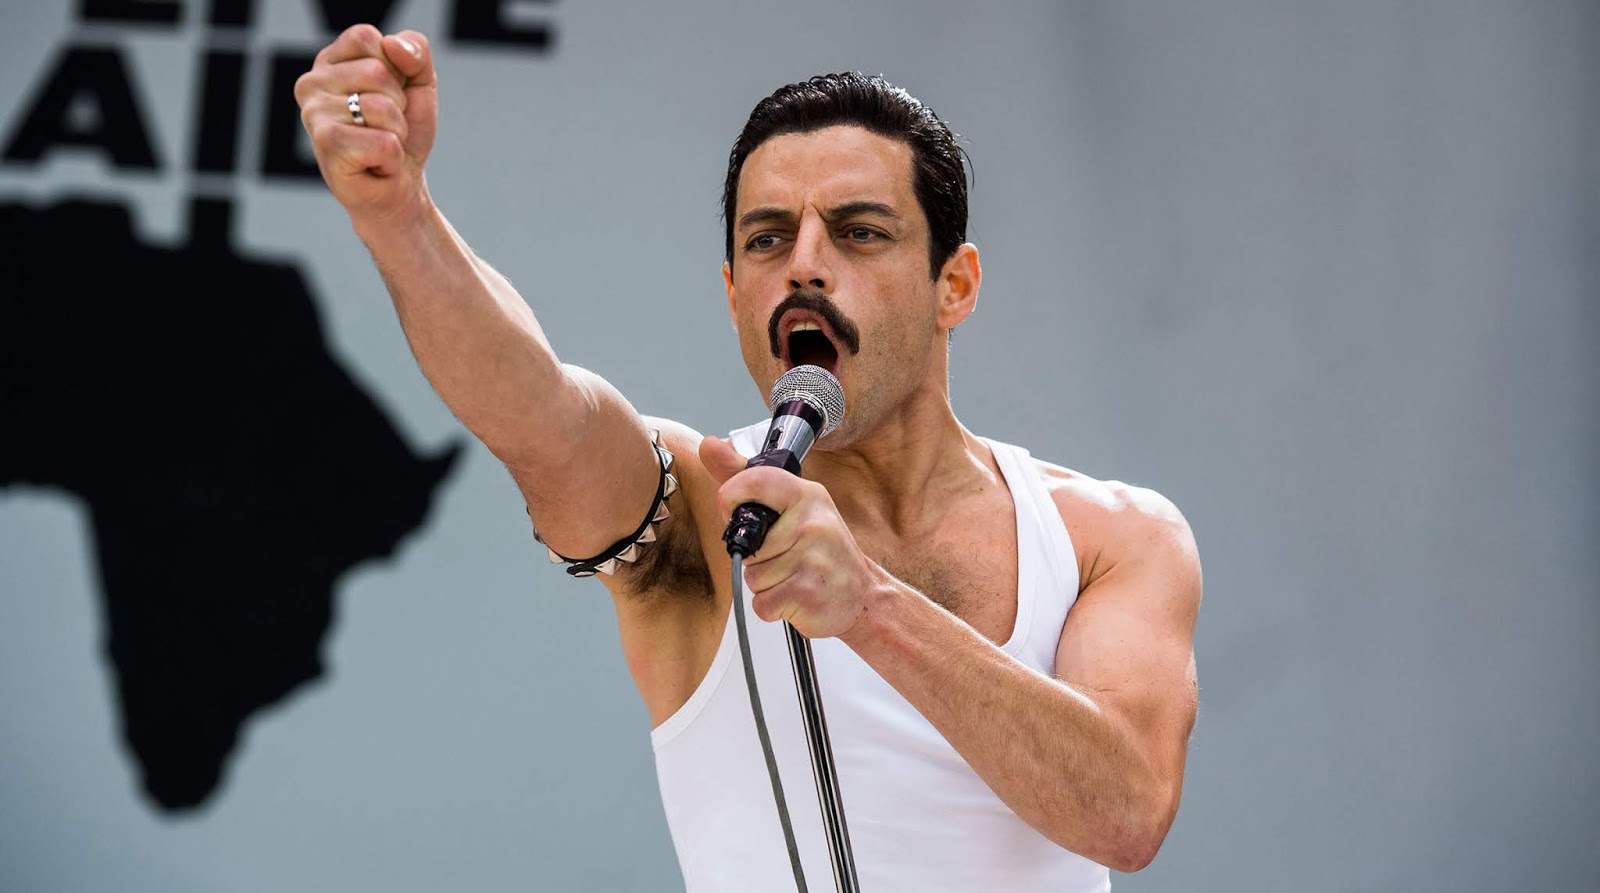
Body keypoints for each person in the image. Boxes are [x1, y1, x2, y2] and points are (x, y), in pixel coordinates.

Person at [296, 24, 1201, 892]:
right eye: (767, 238)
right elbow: (541, 413)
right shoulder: (699, 506)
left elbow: (1126, 815)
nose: (805, 265)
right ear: (735, 294)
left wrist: (871, 606)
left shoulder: (1109, 538)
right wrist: (399, 214)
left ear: (953, 285)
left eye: (859, 231)